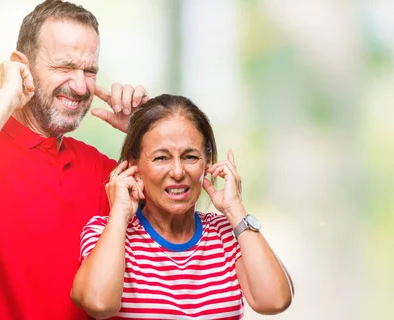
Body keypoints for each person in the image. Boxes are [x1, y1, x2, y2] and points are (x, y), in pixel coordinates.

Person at [0, 1, 148, 319]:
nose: (79, 86)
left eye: (89, 70)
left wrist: (145, 131)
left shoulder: (101, 170)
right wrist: (6, 93)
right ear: (21, 65)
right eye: (64, 67)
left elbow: (178, 215)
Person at [71, 94, 294, 319]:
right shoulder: (105, 232)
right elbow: (98, 303)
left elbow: (274, 300)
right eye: (161, 158)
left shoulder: (227, 232)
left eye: (190, 157)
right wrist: (120, 214)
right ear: (134, 164)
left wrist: (235, 209)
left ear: (207, 161)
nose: (178, 172)